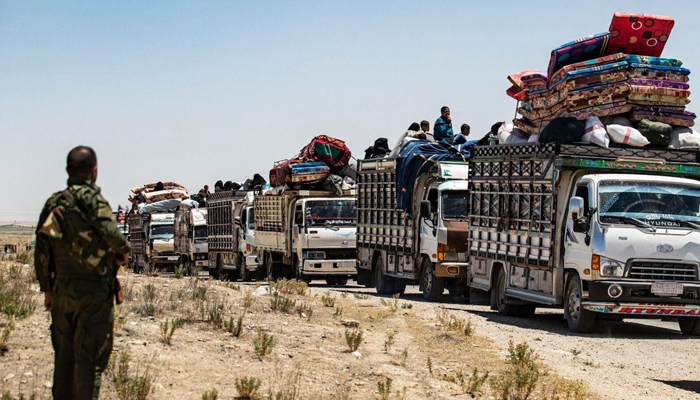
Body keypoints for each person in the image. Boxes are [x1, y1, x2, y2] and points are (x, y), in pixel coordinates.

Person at [34, 146, 130, 400]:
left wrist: (47, 290)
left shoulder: (54, 203)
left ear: (68, 171)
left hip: (62, 292)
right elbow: (114, 238)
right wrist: (123, 251)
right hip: (93, 294)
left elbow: (41, 249)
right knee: (89, 361)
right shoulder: (93, 201)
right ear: (94, 172)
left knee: (64, 360)